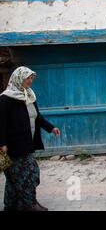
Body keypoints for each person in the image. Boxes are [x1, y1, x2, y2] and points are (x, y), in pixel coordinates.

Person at [0, 66, 61, 211]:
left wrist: (51, 128)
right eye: (28, 78)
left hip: (27, 143)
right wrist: (2, 143)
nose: (30, 81)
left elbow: (37, 117)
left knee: (14, 177)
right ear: (18, 79)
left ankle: (12, 205)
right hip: (13, 145)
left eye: (31, 78)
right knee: (30, 173)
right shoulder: (5, 99)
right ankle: (29, 204)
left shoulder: (28, 96)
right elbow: (0, 122)